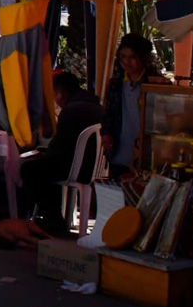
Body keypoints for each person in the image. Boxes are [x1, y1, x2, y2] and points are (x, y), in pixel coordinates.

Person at [20, 72, 103, 234]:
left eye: (54, 95)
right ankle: (53, 217)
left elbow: (59, 149)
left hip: (76, 168)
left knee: (30, 170)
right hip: (92, 168)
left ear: (61, 93)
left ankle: (53, 218)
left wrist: (44, 154)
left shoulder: (72, 110)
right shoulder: (95, 106)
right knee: (44, 167)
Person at [102, 33, 167, 179]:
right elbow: (108, 113)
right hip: (119, 151)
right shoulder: (116, 83)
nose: (126, 62)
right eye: (123, 56)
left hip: (147, 153)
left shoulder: (155, 83)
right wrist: (106, 134)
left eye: (132, 57)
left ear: (143, 59)